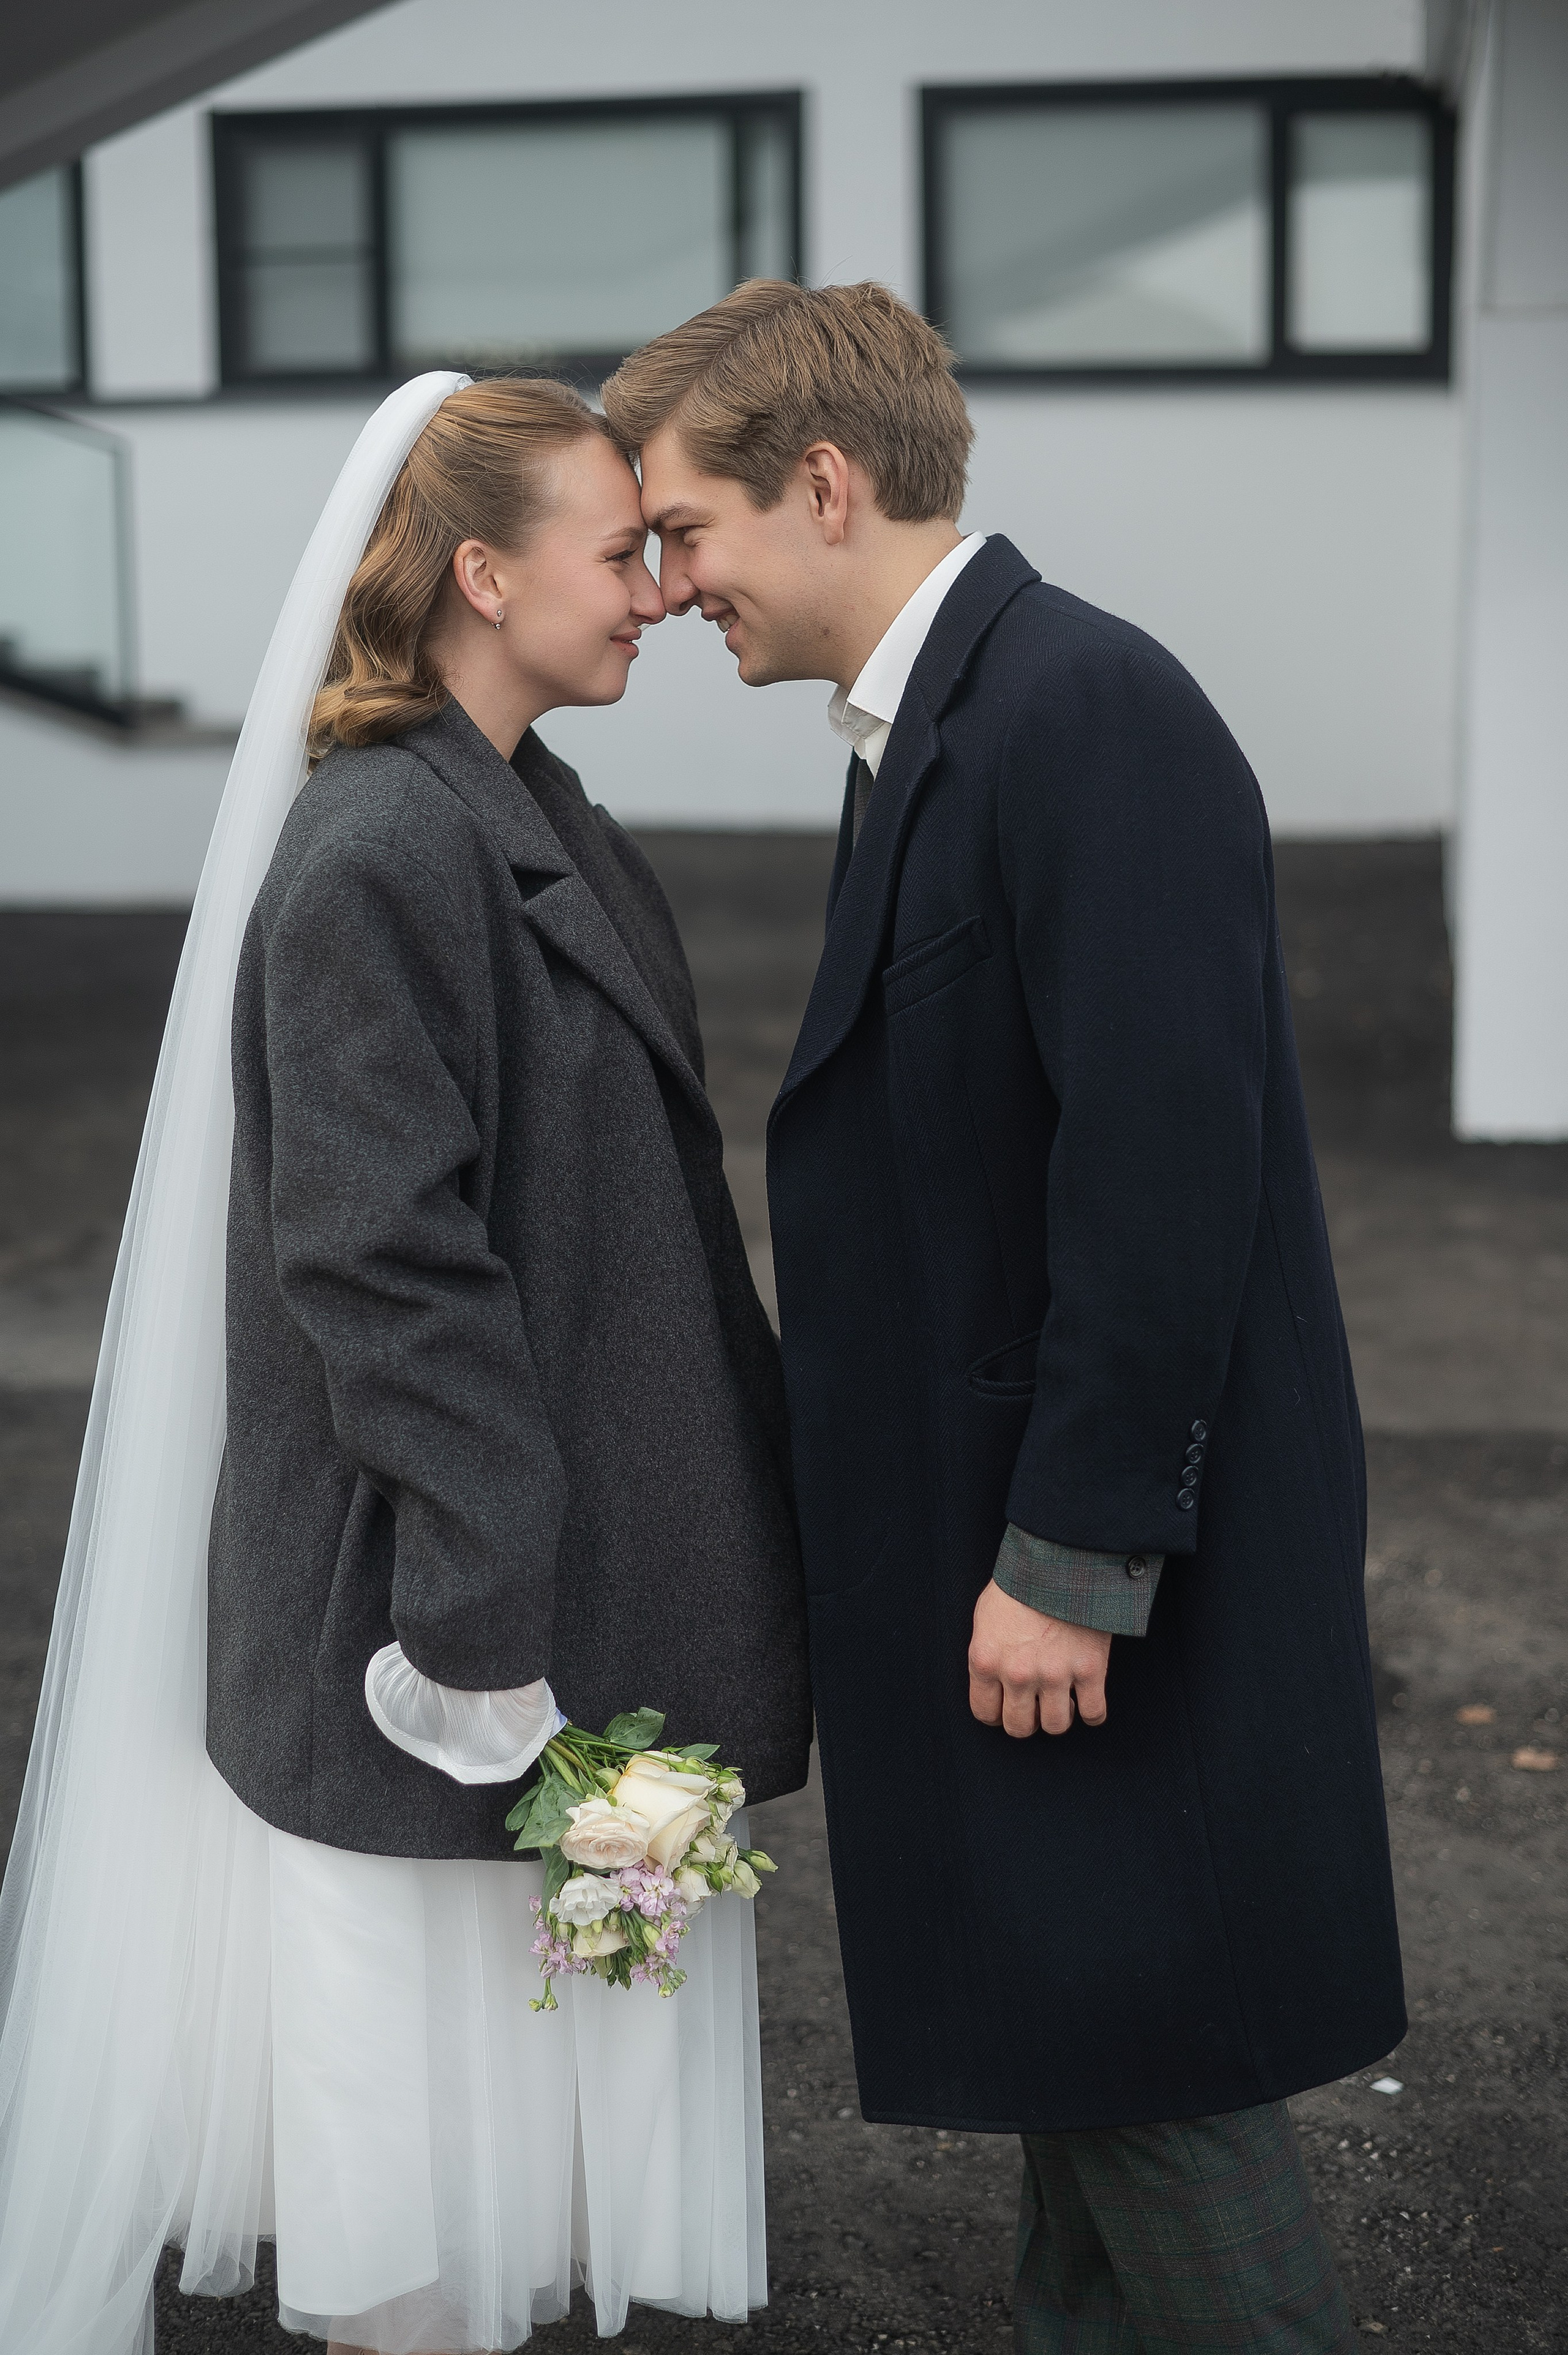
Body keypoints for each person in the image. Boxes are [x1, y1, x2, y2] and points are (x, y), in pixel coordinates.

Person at [603, 281, 1406, 2354]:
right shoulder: (949, 718)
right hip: (1020, 1569)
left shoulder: (1083, 709)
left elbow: (1166, 1173)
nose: (670, 584)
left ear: (828, 483)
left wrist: (1072, 1554)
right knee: (1089, 2066)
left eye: (684, 532)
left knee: (1150, 2071)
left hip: (1102, 1582)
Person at [0, 372, 808, 2355]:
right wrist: (476, 1622)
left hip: (553, 1601)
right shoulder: (377, 845)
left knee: (495, 2131)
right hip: (443, 1627)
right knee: (412, 2186)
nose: (653, 594)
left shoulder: (537, 816)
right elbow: (381, 1265)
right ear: (478, 570)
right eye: (618, 553)